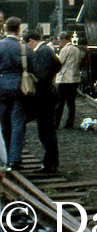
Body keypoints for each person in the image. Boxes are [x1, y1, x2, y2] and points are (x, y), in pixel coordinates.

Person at [24, 30, 60, 174]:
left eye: (27, 44)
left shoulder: (42, 52)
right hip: (47, 95)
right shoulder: (47, 50)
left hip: (44, 97)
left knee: (46, 132)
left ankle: (50, 164)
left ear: (31, 41)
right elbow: (58, 65)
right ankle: (50, 163)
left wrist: (32, 79)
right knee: (47, 131)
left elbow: (42, 75)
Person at [0, 17, 28, 169]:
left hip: (2, 87)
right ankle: (15, 159)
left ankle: (5, 157)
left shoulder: (0, 46)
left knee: (4, 123)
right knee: (17, 123)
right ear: (19, 29)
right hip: (19, 87)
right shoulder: (22, 47)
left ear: (5, 28)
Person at [54, 32, 84, 130]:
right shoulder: (77, 50)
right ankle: (70, 123)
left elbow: (59, 62)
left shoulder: (65, 49)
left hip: (64, 79)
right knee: (71, 103)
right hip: (75, 78)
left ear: (64, 40)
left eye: (59, 41)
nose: (59, 43)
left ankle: (56, 123)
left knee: (60, 103)